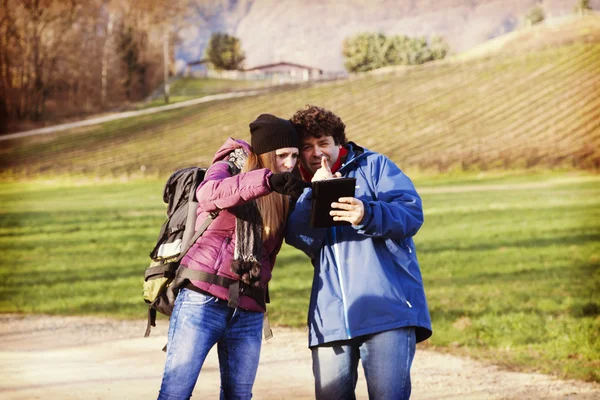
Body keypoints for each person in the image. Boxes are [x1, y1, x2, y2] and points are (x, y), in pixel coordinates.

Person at [285, 105, 432, 400]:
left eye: (323, 143)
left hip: (388, 311)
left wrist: (366, 213)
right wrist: (315, 194)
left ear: (339, 142)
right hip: (330, 321)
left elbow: (410, 214)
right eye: (307, 147)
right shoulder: (298, 188)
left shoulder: (375, 166)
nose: (316, 153)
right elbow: (298, 236)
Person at [158, 114, 308, 400]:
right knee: (176, 392)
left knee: (239, 396)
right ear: (265, 153)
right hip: (203, 297)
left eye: (294, 155)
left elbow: (304, 235)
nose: (290, 163)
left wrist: (319, 191)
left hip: (249, 307)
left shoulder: (285, 188)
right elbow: (209, 193)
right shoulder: (229, 166)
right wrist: (268, 181)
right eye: (282, 155)